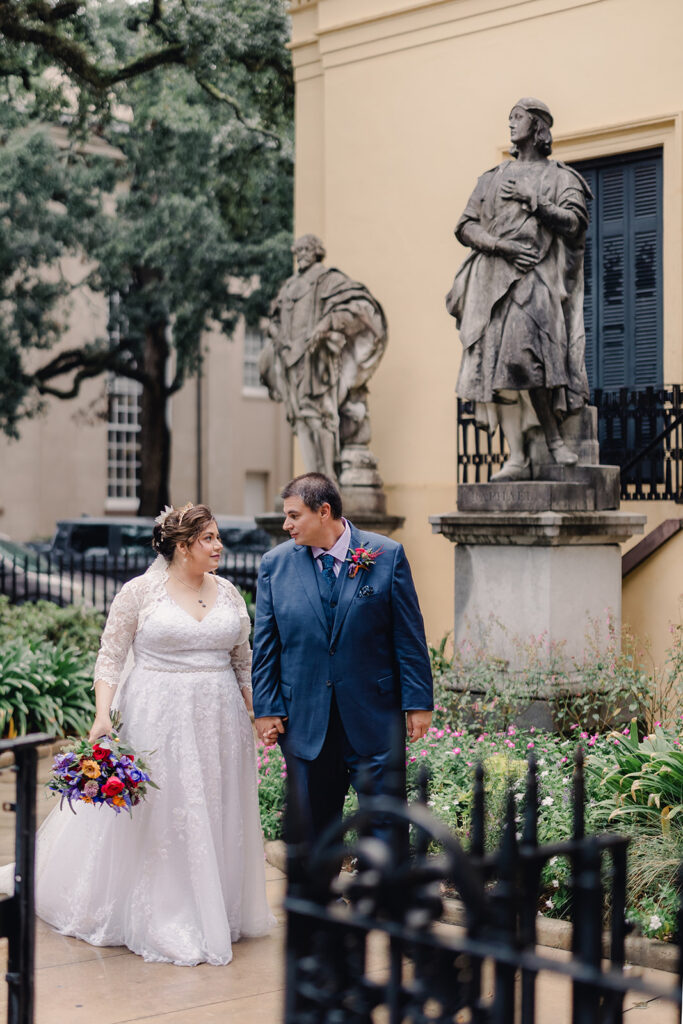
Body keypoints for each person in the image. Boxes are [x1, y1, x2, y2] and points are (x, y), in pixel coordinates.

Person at [0, 504, 274, 966]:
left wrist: (257, 714)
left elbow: (242, 662)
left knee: (214, 804)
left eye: (217, 537)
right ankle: (166, 913)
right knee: (168, 810)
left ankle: (216, 907)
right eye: (208, 538)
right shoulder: (139, 592)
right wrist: (102, 716)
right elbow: (110, 656)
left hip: (220, 721)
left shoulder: (228, 592)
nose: (219, 546)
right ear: (183, 546)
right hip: (159, 715)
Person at [251, 473, 433, 844]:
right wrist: (266, 707)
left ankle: (382, 901)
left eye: (293, 515)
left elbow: (408, 636)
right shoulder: (275, 564)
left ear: (324, 512)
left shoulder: (387, 555)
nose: (286, 525)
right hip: (305, 720)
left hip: (375, 716)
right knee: (313, 830)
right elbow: (266, 641)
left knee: (385, 825)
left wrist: (418, 702)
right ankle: (316, 899)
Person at [446, 98, 592, 481]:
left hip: (537, 279)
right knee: (497, 368)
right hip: (494, 283)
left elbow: (574, 224)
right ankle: (516, 456)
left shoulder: (561, 177)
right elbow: (465, 226)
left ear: (539, 127)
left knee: (529, 358)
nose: (511, 124)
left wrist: (536, 203)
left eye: (519, 118)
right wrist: (501, 246)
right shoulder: (491, 178)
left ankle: (552, 437)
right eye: (509, 118)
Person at [260, 234, 387, 481]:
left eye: (307, 249)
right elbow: (274, 321)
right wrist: (277, 335)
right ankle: (314, 476)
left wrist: (326, 325)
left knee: (322, 418)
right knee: (301, 420)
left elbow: (357, 307)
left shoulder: (329, 280)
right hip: (291, 361)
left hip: (317, 360)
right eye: (299, 250)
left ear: (317, 251)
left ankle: (327, 476)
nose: (302, 254)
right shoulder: (289, 286)